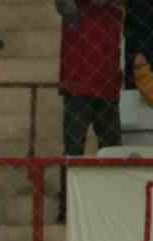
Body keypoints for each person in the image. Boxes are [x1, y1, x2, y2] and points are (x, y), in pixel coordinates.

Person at [57, 0, 126, 221]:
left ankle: (109, 207)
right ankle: (69, 208)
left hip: (106, 80)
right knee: (74, 150)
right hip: (79, 81)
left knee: (111, 151)